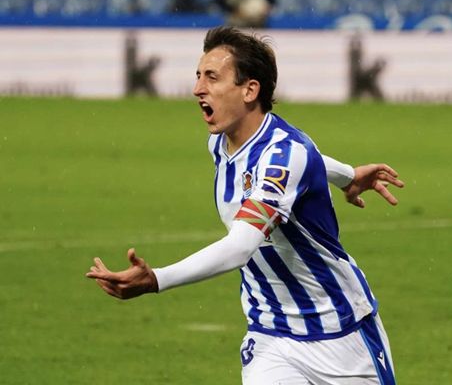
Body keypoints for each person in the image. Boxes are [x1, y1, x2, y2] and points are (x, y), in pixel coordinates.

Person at [86, 26, 403, 385]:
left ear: (250, 90)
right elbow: (297, 161)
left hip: (340, 333)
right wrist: (347, 176)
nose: (197, 89)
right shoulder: (221, 145)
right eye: (198, 76)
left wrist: (157, 279)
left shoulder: (286, 154)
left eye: (212, 77)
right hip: (270, 334)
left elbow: (240, 246)